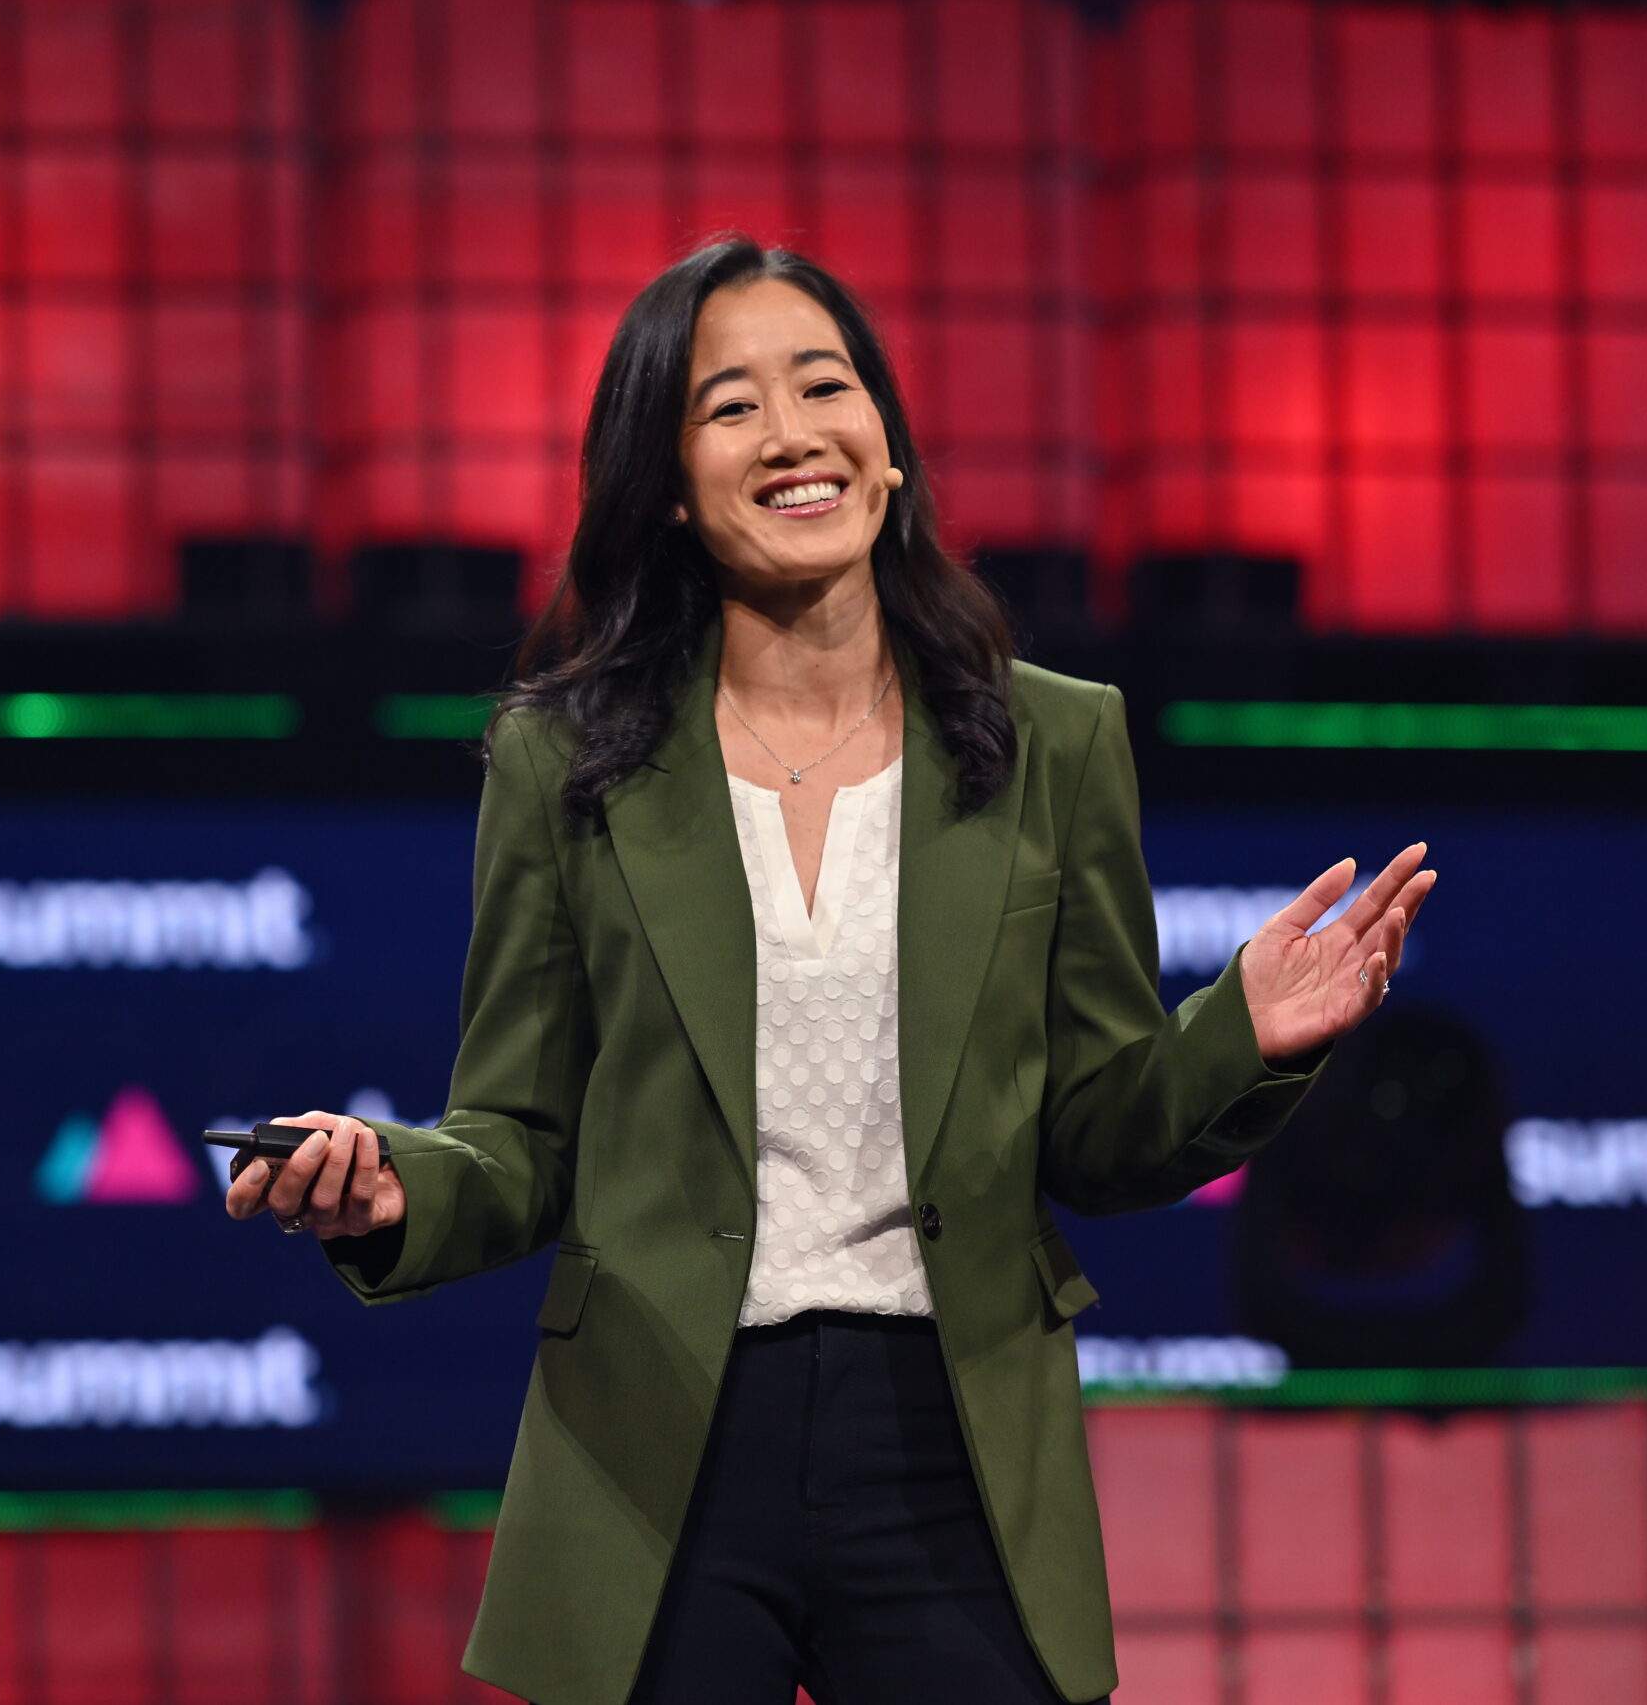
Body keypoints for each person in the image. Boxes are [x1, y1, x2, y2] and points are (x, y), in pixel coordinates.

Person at [223, 237, 1434, 1705]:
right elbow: (523, 1136)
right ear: (668, 482)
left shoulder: (1051, 741)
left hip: (957, 1443)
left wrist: (1238, 1035)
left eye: (826, 385)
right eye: (732, 406)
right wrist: (396, 1180)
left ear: (890, 446)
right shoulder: (565, 760)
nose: (795, 434)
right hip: (661, 1443)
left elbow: (1098, 1132)